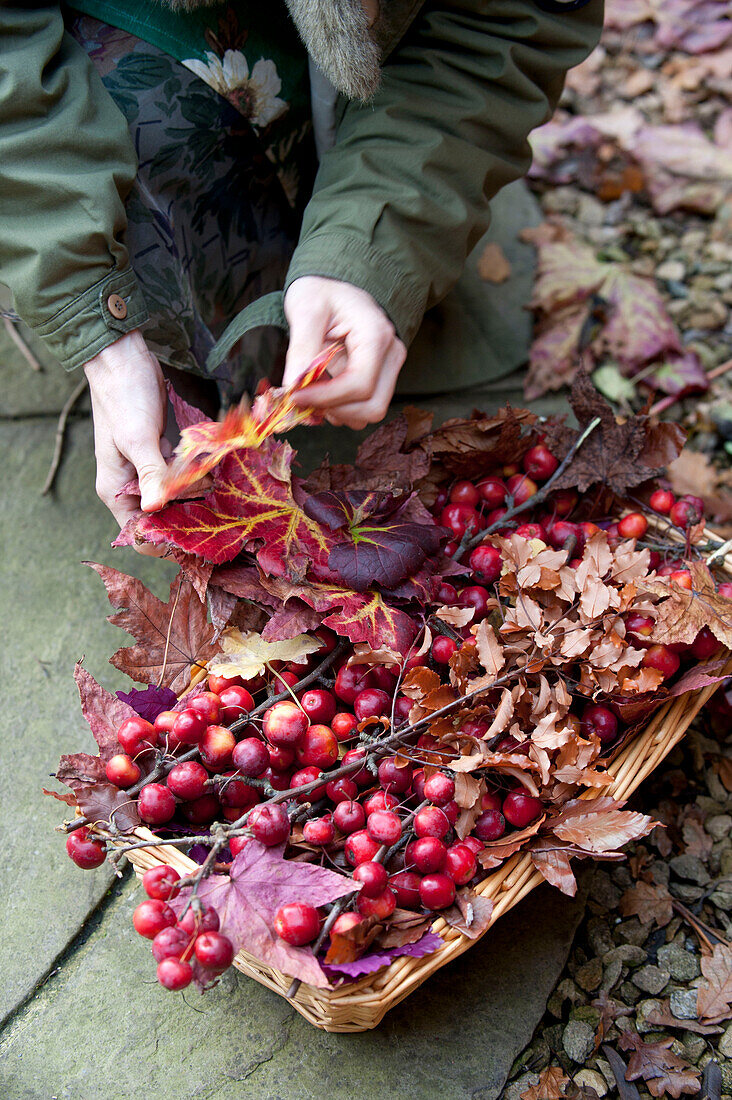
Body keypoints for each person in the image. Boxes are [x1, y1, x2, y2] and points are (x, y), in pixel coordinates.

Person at [0, 0, 603, 531]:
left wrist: (369, 245)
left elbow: (505, 26)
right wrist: (96, 322)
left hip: (363, 73)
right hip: (126, 66)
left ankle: (319, 220)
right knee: (148, 119)